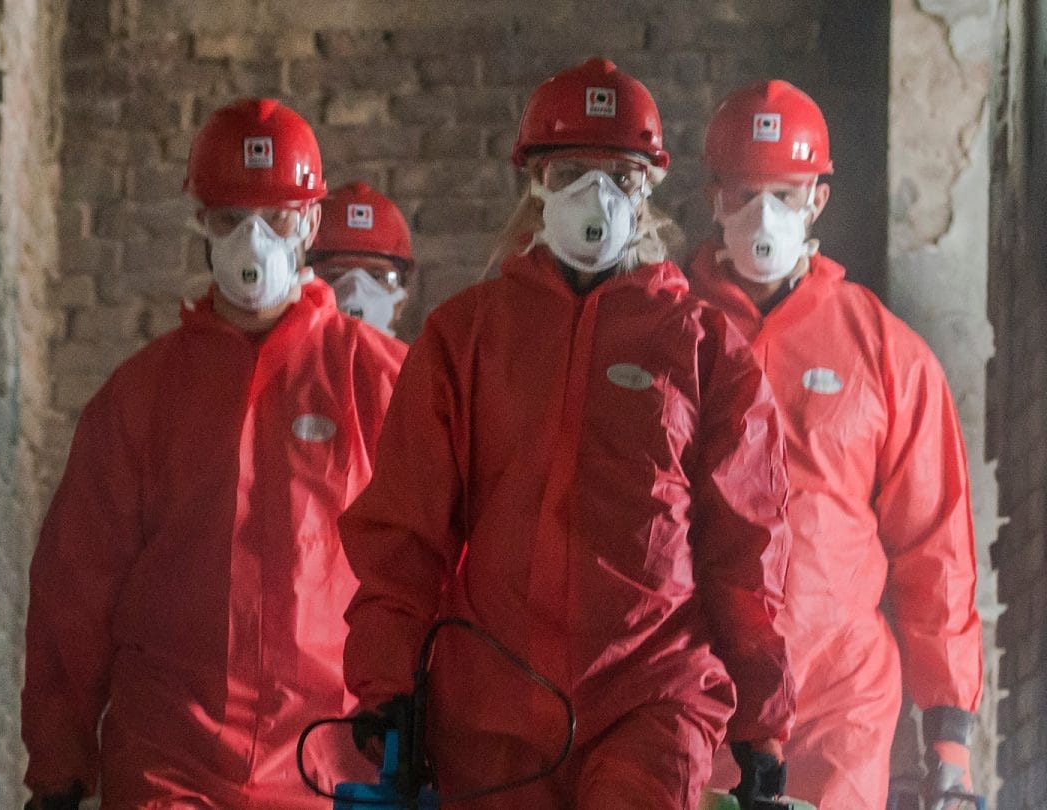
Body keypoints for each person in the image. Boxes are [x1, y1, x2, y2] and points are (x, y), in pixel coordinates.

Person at [338, 58, 796, 809]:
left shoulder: (704, 348)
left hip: (653, 696)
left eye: (619, 176)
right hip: (488, 712)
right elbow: (405, 532)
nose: (596, 196)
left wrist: (763, 716)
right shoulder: (466, 337)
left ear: (648, 187)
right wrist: (388, 683)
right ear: (536, 182)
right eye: (572, 172)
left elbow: (745, 546)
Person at [21, 98, 408, 809]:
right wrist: (58, 763)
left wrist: (436, 740)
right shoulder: (142, 398)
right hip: (172, 760)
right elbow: (75, 587)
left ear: (311, 224)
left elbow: (439, 562)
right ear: (200, 221)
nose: (253, 241)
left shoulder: (379, 384)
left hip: (330, 762)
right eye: (231, 219)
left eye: (277, 219)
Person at [689, 79, 983, 808]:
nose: (764, 215)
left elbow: (935, 547)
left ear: (817, 200)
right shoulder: (668, 333)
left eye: (785, 194)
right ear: (714, 197)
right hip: (698, 693)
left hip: (837, 706)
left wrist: (949, 735)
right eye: (746, 192)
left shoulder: (883, 352)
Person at [309, 182, 416, 339]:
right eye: (335, 274)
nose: (355, 292)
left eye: (377, 277)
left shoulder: (421, 357)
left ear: (401, 301)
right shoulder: (278, 355)